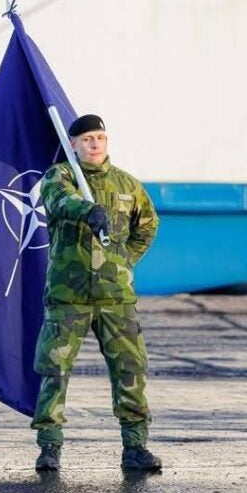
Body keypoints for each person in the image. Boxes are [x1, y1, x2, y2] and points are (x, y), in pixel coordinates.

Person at [31, 114, 161, 472]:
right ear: (73, 144)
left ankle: (135, 447)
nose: (95, 144)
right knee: (54, 370)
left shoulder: (127, 185)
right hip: (68, 295)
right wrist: (88, 211)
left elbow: (148, 225)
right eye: (87, 138)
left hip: (115, 297)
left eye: (100, 137)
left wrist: (123, 261)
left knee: (130, 369)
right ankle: (49, 447)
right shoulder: (61, 176)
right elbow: (58, 201)